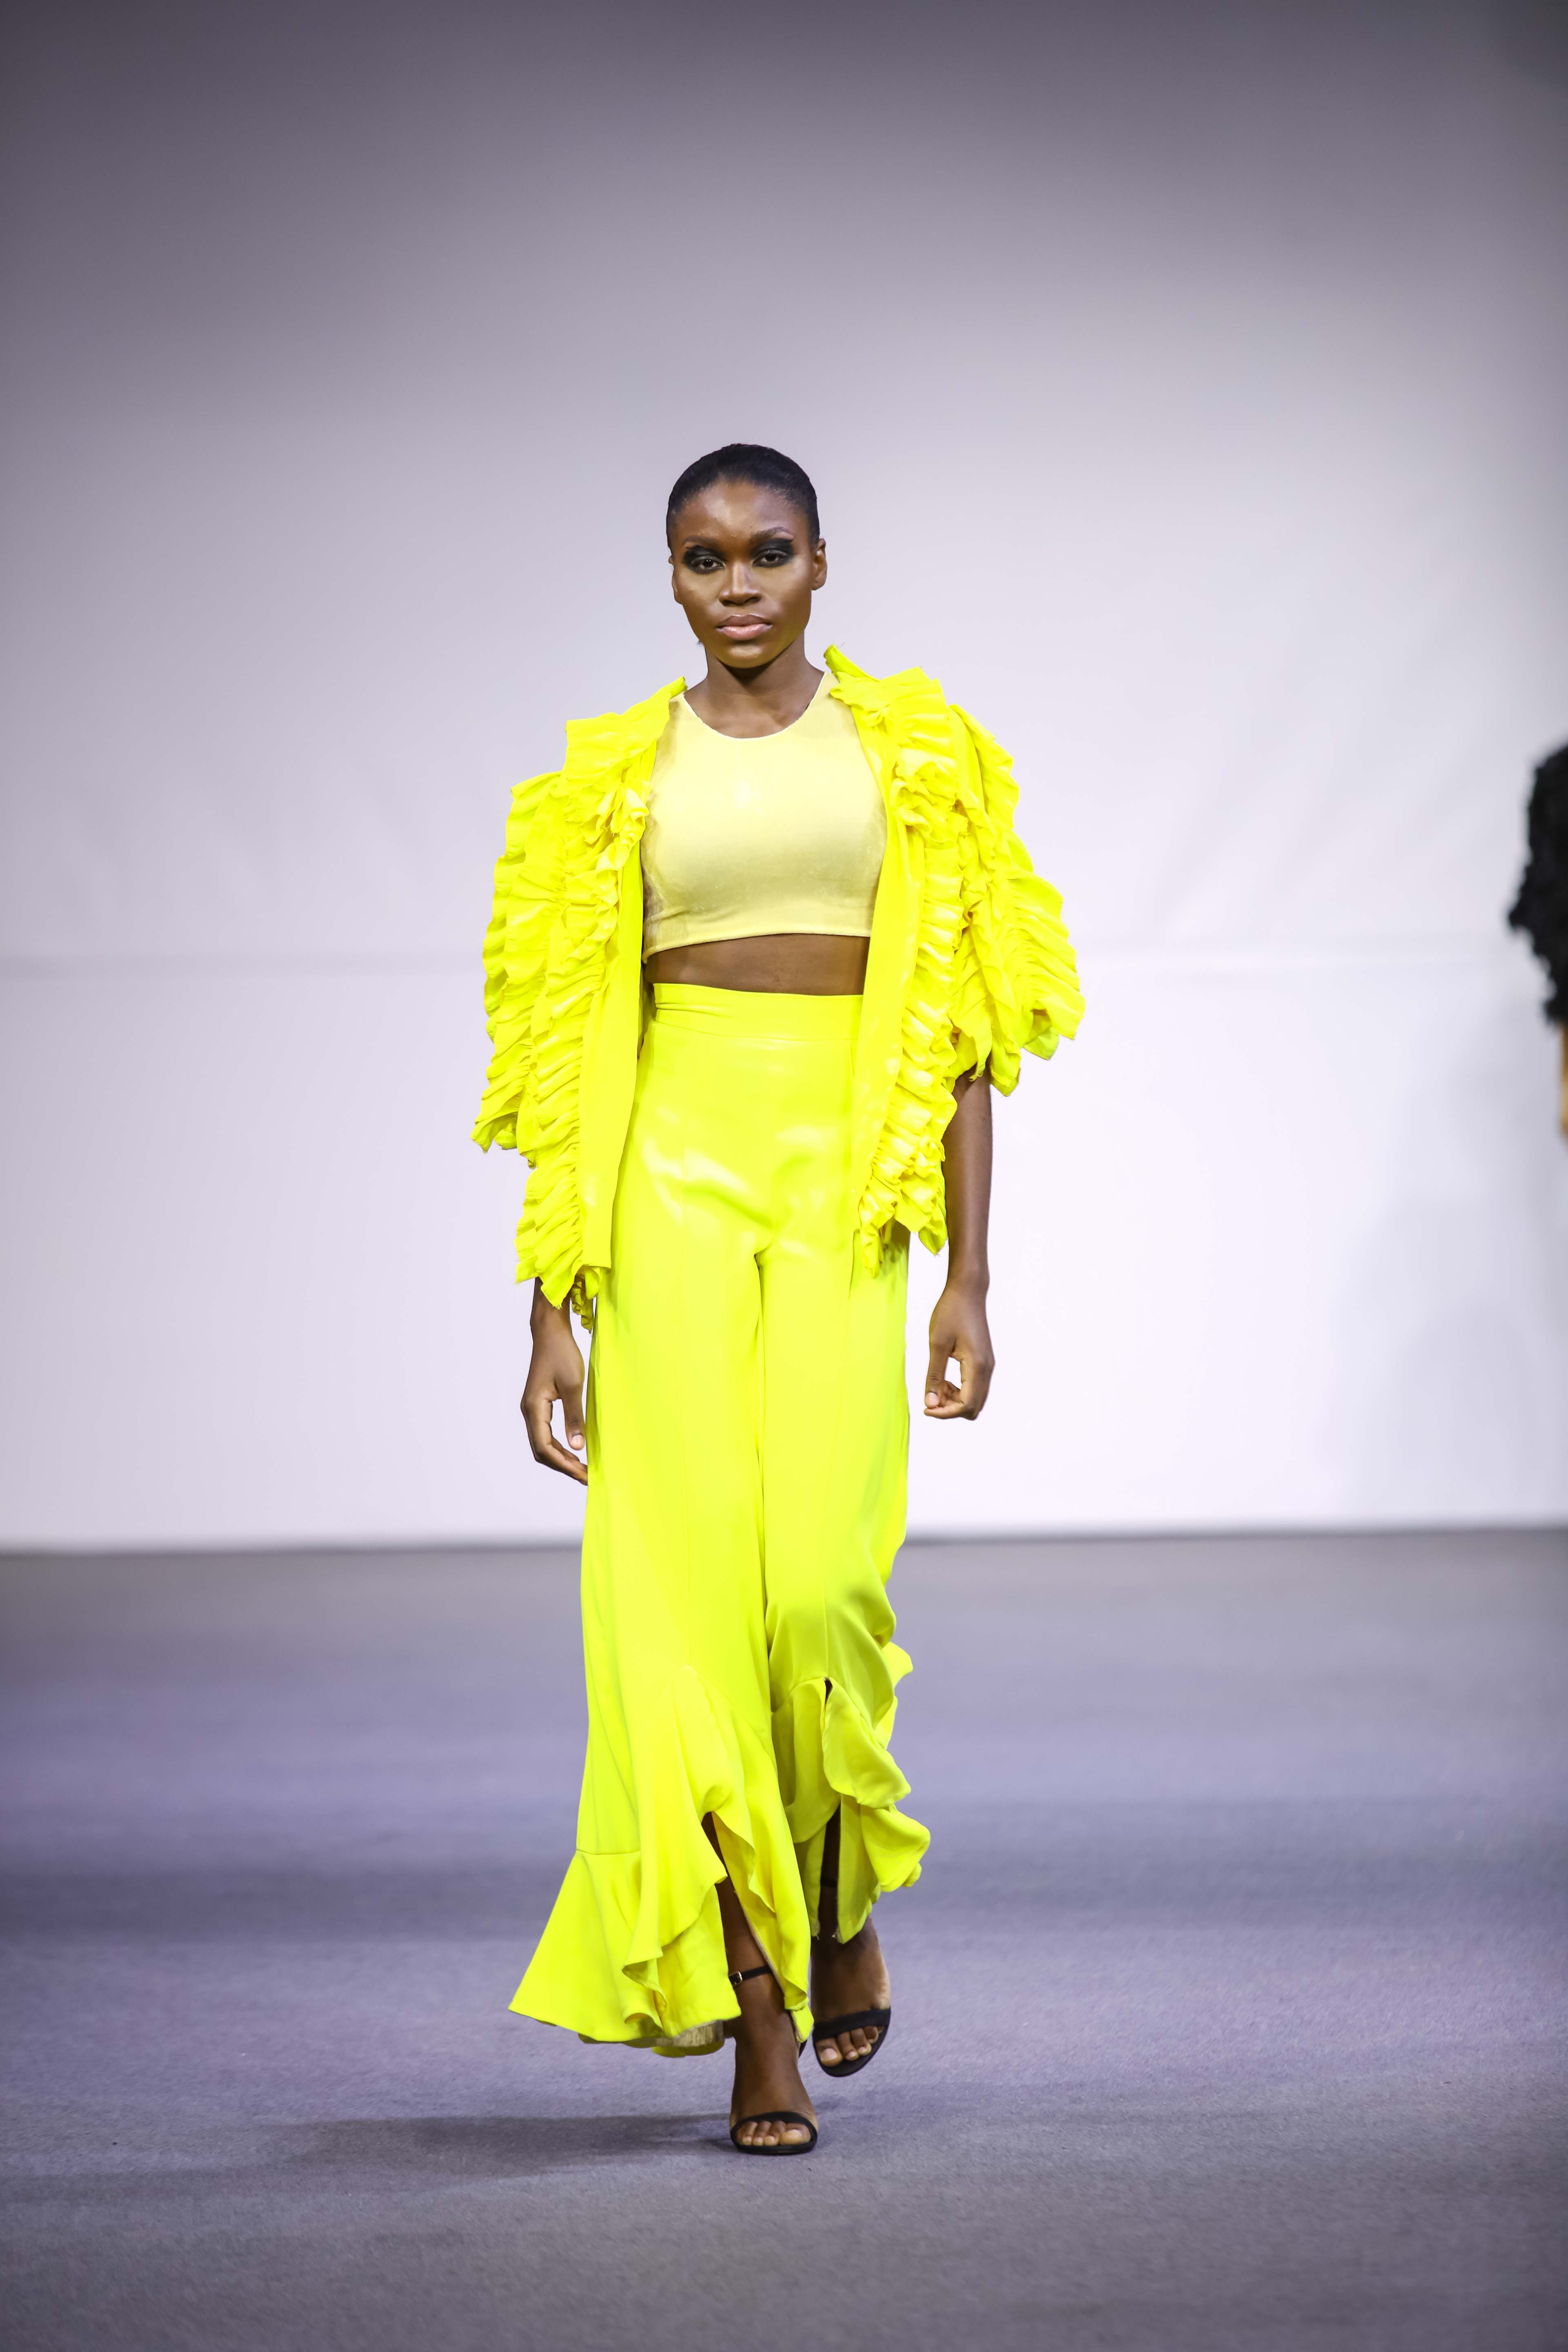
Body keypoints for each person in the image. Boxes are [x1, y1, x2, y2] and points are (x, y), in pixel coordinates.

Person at [474, 444, 1082, 2154]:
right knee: (687, 1619)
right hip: (666, 1181)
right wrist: (548, 1314)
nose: (735, 585)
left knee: (819, 1591)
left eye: (766, 553)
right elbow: (562, 1052)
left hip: (847, 1191)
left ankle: (841, 1885)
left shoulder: (913, 753)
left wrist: (973, 1276)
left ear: (822, 565)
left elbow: (960, 1036)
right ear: (670, 576)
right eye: (703, 557)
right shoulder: (613, 778)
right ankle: (760, 2014)